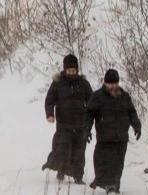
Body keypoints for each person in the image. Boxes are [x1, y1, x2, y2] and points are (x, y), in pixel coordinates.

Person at [84, 69, 142, 194]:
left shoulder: (124, 96)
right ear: (105, 83)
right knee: (101, 161)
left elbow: (131, 112)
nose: (114, 86)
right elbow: (89, 114)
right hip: (105, 137)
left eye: (116, 83)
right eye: (111, 84)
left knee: (117, 164)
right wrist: (86, 130)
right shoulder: (97, 96)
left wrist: (137, 126)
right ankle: (105, 183)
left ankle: (114, 185)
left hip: (121, 138)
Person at [42, 54, 93, 184]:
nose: (71, 73)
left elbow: (92, 101)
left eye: (74, 70)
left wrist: (91, 116)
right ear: (65, 69)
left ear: (77, 70)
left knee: (79, 150)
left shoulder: (83, 84)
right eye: (69, 70)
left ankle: (78, 176)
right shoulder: (58, 83)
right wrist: (50, 114)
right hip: (63, 123)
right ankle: (61, 170)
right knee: (62, 148)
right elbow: (49, 100)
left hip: (79, 124)